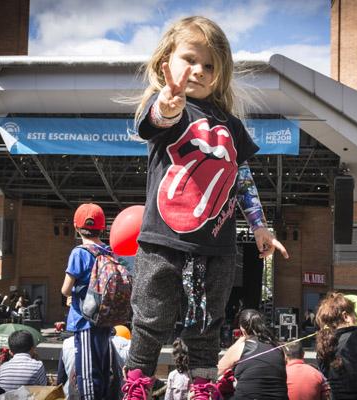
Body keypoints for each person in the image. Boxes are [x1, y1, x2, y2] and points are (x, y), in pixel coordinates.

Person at [121, 16, 289, 400]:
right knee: (150, 321)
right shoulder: (168, 107)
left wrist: (260, 226)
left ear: (221, 72)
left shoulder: (230, 125)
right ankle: (135, 388)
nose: (198, 70)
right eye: (189, 59)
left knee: (206, 326)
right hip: (163, 241)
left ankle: (201, 389)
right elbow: (153, 121)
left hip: (216, 248)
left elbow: (241, 177)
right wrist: (167, 102)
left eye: (209, 64)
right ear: (167, 59)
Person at [61, 203, 113, 399]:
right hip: (105, 320)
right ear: (102, 228)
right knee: (102, 369)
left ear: (76, 227)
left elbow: (65, 289)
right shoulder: (108, 252)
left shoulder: (79, 253)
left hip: (85, 321)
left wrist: (71, 294)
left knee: (87, 373)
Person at [217, 309, 288, 399]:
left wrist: (240, 340)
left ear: (242, 327)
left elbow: (218, 370)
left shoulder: (241, 346)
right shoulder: (278, 347)